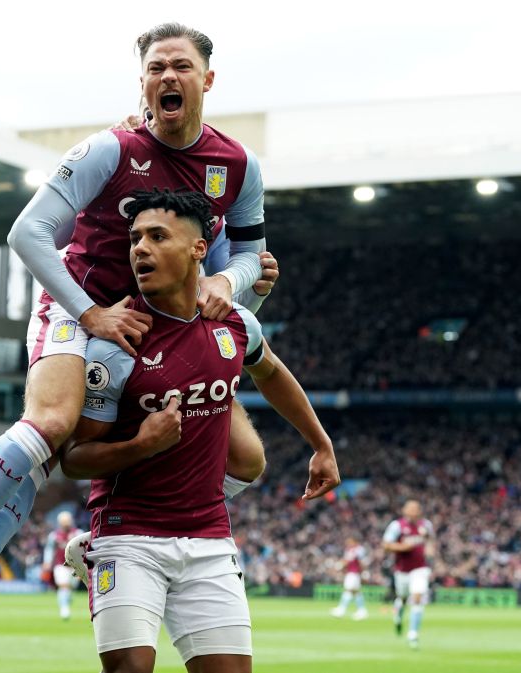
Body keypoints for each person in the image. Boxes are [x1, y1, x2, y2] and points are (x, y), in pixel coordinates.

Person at [0, 21, 277, 643]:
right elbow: (26, 233)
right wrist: (90, 314)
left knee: (248, 458)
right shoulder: (110, 150)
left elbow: (254, 256)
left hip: (159, 325)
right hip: (82, 306)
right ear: (142, 82)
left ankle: (91, 542)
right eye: (155, 68)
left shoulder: (237, 165)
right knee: (53, 425)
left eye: (179, 66)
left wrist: (229, 283)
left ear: (208, 78)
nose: (167, 77)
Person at [56, 189, 339, 673]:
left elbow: (270, 372)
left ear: (198, 249)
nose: (140, 248)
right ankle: (95, 550)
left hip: (209, 539)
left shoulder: (235, 323)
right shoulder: (117, 344)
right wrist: (141, 444)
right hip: (129, 534)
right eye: (135, 238)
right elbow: (75, 458)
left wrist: (321, 443)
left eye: (157, 236)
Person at [382, 500, 435, 648]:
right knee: (403, 598)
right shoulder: (397, 526)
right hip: (402, 570)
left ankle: (413, 634)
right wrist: (402, 547)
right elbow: (386, 545)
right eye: (410, 509)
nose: (413, 511)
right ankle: (398, 615)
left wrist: (430, 551)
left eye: (416, 509)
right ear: (404, 511)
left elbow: (431, 541)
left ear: (420, 511)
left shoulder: (426, 525)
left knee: (418, 597)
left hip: (420, 568)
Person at [43, 511, 84, 620]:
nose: (66, 523)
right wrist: (47, 562)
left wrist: (83, 564)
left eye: (67, 521)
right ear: (59, 522)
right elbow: (49, 549)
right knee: (63, 585)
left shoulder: (78, 533)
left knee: (70, 587)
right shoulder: (54, 535)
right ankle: (64, 609)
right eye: (63, 521)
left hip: (75, 566)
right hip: (60, 565)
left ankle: (67, 601)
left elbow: (84, 550)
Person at [330, 536, 369, 620]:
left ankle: (341, 609)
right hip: (351, 573)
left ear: (355, 541)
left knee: (348, 590)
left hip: (354, 573)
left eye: (350, 541)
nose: (348, 543)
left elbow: (361, 562)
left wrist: (364, 572)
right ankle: (362, 610)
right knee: (355, 592)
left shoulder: (359, 550)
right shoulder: (350, 550)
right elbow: (346, 561)